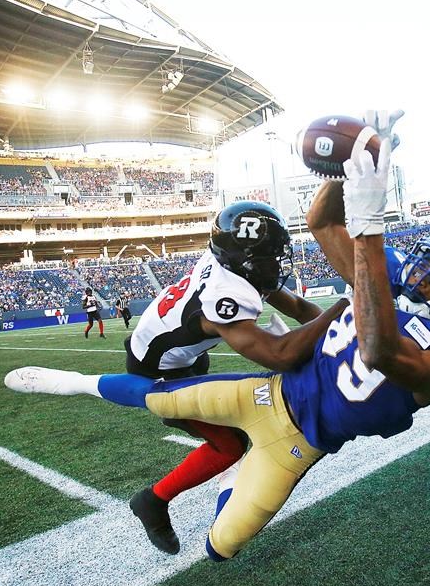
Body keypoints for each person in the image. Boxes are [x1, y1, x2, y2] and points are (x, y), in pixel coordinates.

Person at [5, 121, 430, 561]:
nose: (425, 280)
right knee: (164, 402)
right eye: (426, 266)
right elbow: (311, 268)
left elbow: (373, 346)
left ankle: (220, 482)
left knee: (220, 545)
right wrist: (351, 183)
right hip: (239, 384)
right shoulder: (360, 279)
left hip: (303, 441)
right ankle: (73, 383)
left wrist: (353, 274)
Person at [120, 200, 347, 553]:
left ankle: (214, 486)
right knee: (230, 445)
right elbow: (280, 355)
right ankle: (152, 500)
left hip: (184, 356)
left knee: (230, 428)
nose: (278, 263)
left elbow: (300, 308)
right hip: (156, 370)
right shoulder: (225, 293)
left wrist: (344, 330)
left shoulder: (236, 264)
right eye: (271, 256)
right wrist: (343, 309)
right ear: (247, 259)